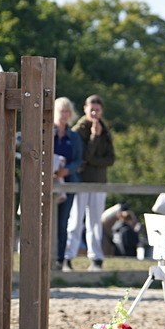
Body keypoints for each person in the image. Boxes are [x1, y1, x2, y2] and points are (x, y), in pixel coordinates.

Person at [65, 94, 115, 271]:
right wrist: (94, 137)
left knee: (95, 222)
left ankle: (96, 258)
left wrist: (93, 160)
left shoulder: (105, 130)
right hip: (81, 181)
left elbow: (110, 159)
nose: (94, 113)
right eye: (91, 109)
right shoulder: (79, 130)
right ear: (85, 109)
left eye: (97, 110)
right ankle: (68, 257)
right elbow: (84, 157)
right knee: (76, 221)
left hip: (99, 182)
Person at [53, 97, 83, 270]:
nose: (64, 115)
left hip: (68, 182)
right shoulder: (47, 133)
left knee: (62, 221)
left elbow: (78, 160)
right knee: (46, 219)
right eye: (61, 111)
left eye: (67, 111)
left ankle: (60, 258)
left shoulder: (74, 136)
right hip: (48, 181)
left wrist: (67, 170)